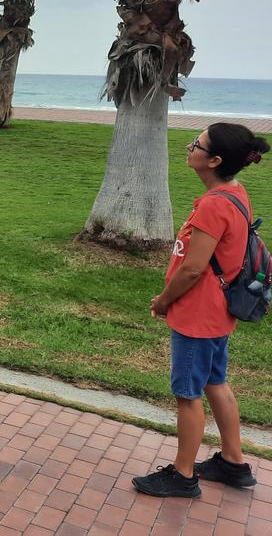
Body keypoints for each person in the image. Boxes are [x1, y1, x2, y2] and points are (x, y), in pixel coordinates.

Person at [132, 123, 266, 498]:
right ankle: (233, 462)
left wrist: (163, 300)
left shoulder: (213, 205)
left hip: (197, 315)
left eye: (198, 144)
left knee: (187, 393)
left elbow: (193, 268)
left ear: (215, 160)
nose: (190, 147)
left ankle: (183, 474)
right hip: (217, 314)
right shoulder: (235, 193)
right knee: (214, 381)